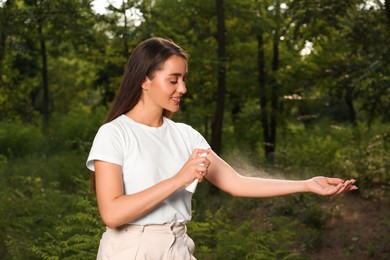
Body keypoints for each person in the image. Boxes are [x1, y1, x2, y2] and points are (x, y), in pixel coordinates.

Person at [86, 37, 357, 259]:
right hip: (130, 250)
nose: (184, 88)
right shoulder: (114, 134)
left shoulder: (186, 135)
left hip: (178, 247)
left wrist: (306, 185)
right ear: (145, 80)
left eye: (184, 78)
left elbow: (237, 183)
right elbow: (112, 214)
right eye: (174, 79)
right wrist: (179, 179)